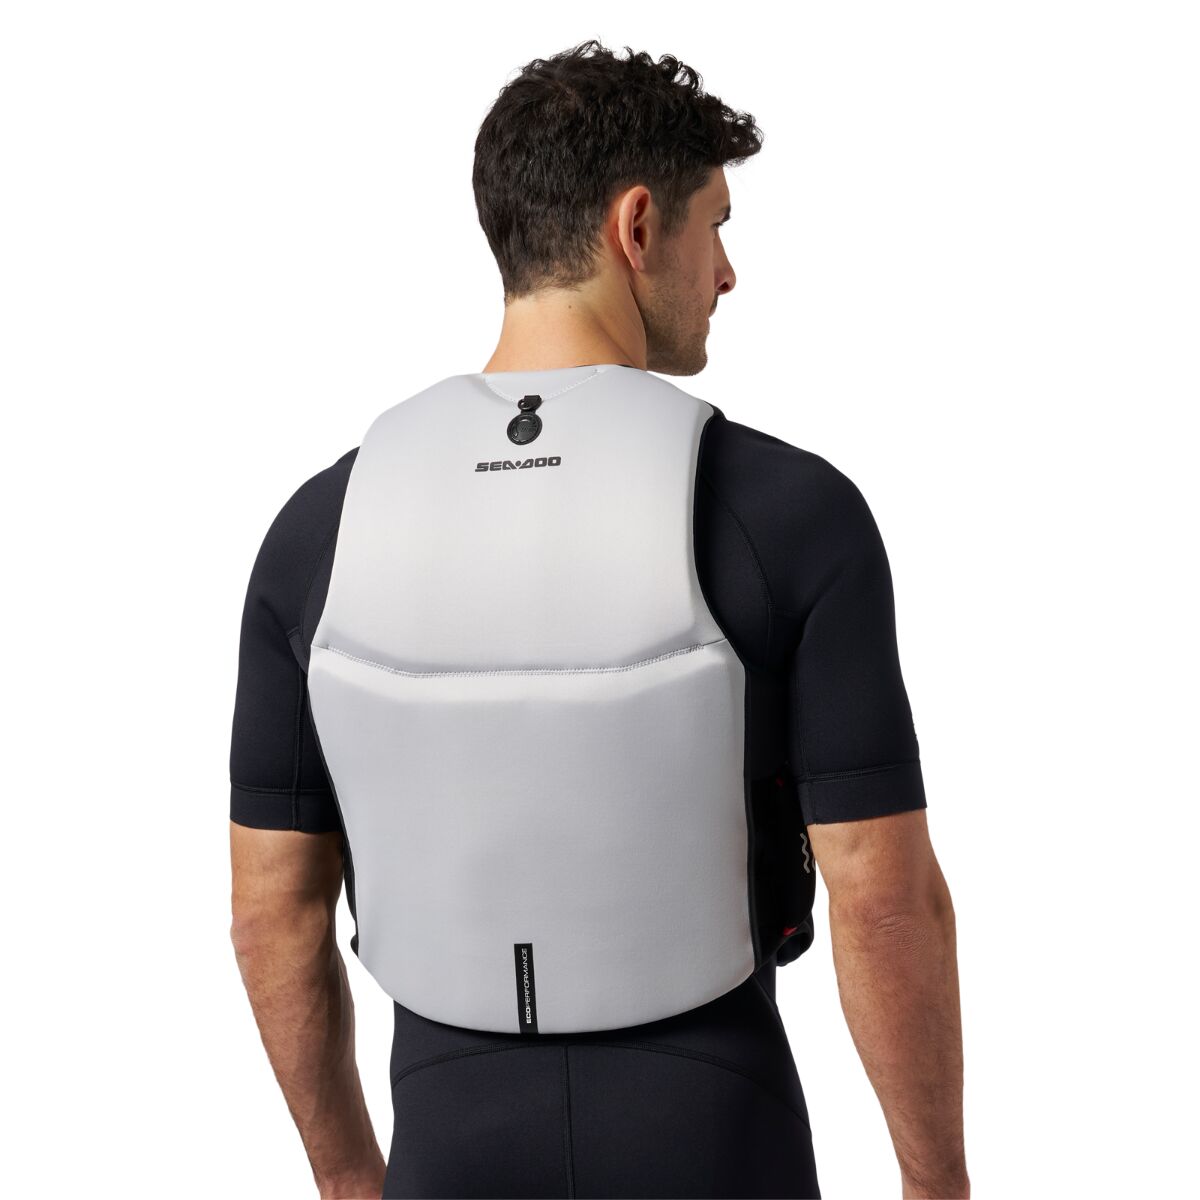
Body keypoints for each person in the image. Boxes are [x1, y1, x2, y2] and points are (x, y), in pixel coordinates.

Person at [228, 39, 968, 1200]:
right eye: (715, 226)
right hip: (714, 1128)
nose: (728, 272)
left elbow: (272, 907)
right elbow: (883, 896)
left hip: (449, 1141)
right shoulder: (786, 513)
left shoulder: (321, 527)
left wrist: (351, 1181)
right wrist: (937, 1183)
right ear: (637, 226)